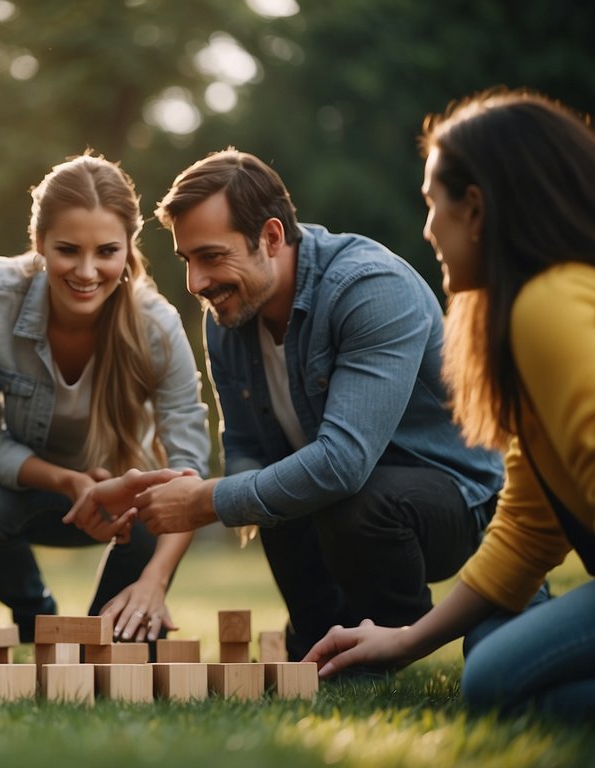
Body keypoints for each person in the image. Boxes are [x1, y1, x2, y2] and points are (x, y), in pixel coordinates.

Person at [68, 147, 505, 661]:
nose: (197, 284)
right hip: (335, 509)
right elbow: (247, 444)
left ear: (271, 237)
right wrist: (177, 491)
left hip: (452, 502)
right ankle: (319, 638)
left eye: (211, 256)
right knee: (276, 492)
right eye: (188, 261)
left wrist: (206, 502)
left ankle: (390, 634)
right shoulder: (228, 315)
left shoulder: (370, 288)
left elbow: (343, 464)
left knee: (348, 496)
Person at [304, 90, 595, 719]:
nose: (427, 228)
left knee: (495, 676)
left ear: (477, 209)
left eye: (432, 204)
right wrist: (406, 641)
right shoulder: (521, 314)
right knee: (494, 640)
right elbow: (527, 528)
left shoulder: (547, 307)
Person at [0, 153, 211, 644]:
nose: (87, 272)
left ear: (128, 247)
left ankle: (116, 623)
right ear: (39, 242)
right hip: (34, 488)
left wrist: (154, 583)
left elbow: (188, 469)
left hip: (125, 507)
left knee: (109, 656)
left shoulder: (157, 325)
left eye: (106, 252)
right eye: (68, 250)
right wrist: (68, 482)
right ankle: (36, 620)